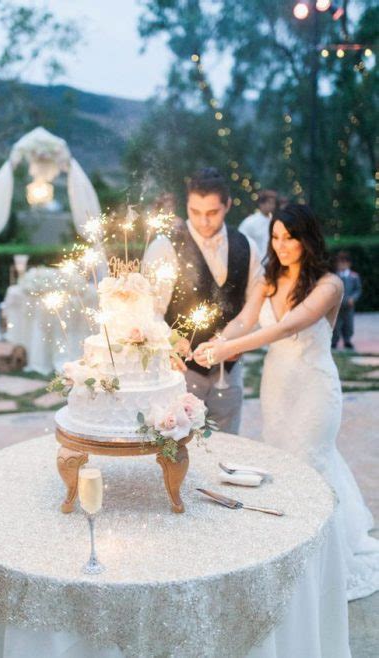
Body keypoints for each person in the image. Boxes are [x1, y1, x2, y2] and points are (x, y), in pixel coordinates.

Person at [194, 203, 379, 600]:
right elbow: (245, 319)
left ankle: (324, 559)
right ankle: (292, 549)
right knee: (284, 461)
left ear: (307, 239)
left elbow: (290, 326)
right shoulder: (268, 279)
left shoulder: (329, 284)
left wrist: (233, 349)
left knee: (312, 459)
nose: (280, 245)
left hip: (314, 386)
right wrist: (218, 340)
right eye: (276, 236)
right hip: (277, 386)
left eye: (289, 237)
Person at [143, 167, 262, 434]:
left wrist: (235, 341)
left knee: (228, 442)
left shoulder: (247, 245)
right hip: (181, 372)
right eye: (195, 212)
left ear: (227, 205)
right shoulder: (165, 246)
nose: (203, 221)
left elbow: (254, 305)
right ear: (187, 205)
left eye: (212, 213)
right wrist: (170, 343)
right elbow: (149, 311)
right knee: (178, 447)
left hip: (230, 373)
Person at [332, 251, 362, 350]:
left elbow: (358, 289)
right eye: (340, 262)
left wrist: (353, 298)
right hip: (337, 305)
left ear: (349, 264)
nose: (342, 265)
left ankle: (347, 340)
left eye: (344, 262)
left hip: (349, 305)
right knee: (336, 324)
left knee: (349, 323)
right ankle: (334, 341)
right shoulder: (334, 276)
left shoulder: (354, 276)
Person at [238, 189, 277, 261]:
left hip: (271, 262)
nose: (272, 206)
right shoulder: (250, 222)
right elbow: (240, 241)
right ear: (261, 204)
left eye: (273, 203)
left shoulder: (274, 221)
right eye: (269, 203)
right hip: (256, 262)